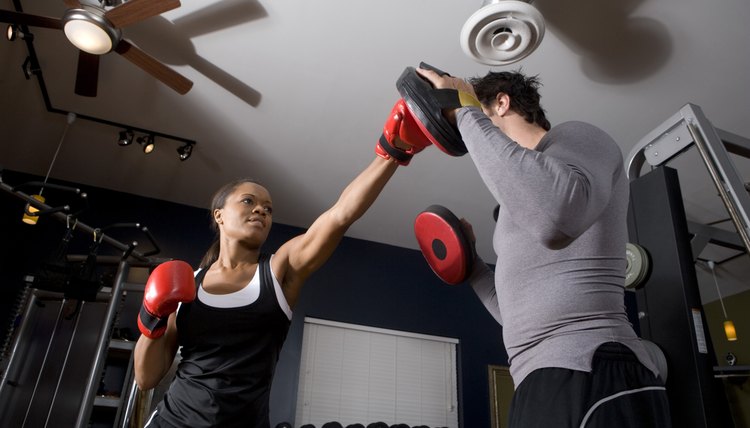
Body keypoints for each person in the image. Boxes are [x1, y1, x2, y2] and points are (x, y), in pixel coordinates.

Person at [132, 99, 429, 427]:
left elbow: (340, 215)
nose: (261, 210)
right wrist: (153, 317)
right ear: (219, 215)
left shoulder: (279, 270)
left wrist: (393, 151)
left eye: (268, 208)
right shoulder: (189, 283)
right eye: (248, 201)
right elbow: (146, 378)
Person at [410, 66, 672, 427]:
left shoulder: (578, 138)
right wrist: (473, 270)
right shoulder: (516, 208)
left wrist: (464, 109)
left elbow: (558, 216)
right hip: (537, 378)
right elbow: (518, 314)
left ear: (501, 103)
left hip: (591, 364)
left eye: (479, 113)